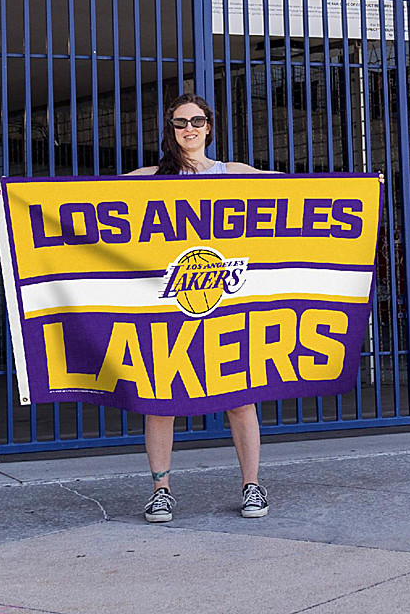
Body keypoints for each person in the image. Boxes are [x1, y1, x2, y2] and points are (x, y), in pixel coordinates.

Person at [128, 93, 274, 524]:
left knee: (240, 397)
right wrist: (25, 194)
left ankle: (252, 485)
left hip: (227, 302)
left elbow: (297, 191)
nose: (188, 128)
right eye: (179, 122)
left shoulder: (235, 173)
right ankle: (161, 491)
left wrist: (361, 187)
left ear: (209, 126)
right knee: (160, 399)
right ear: (170, 129)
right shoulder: (152, 177)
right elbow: (81, 197)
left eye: (196, 120)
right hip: (171, 303)